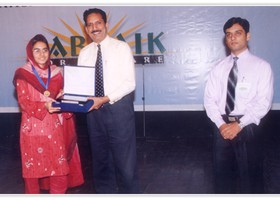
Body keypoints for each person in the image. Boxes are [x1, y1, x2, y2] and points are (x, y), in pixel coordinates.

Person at [204, 17, 274, 194]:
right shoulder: (218, 68)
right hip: (222, 128)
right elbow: (209, 100)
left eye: (238, 33)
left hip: (248, 126)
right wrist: (221, 125)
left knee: (251, 181)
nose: (232, 38)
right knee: (222, 181)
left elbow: (263, 102)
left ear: (248, 36)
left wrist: (239, 125)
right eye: (228, 34)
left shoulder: (262, 67)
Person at [77, 8, 139, 194]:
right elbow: (82, 85)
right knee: (101, 163)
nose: (94, 28)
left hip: (118, 109)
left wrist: (105, 98)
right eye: (90, 24)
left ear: (106, 25)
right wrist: (71, 92)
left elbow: (130, 83)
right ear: (86, 29)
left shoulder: (121, 48)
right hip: (93, 113)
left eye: (98, 23)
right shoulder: (84, 53)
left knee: (125, 164)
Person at [13, 34, 84, 194]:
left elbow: (60, 98)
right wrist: (44, 105)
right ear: (30, 53)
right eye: (37, 51)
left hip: (54, 128)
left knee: (58, 170)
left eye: (45, 50)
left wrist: (64, 96)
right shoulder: (23, 74)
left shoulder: (57, 72)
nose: (42, 54)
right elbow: (24, 102)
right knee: (32, 174)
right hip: (32, 129)